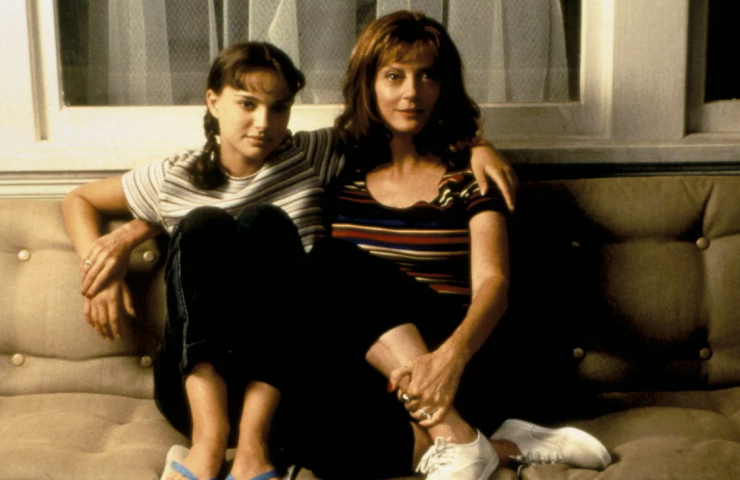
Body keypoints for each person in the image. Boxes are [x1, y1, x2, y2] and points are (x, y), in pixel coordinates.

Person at [61, 40, 519, 480]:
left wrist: (478, 146)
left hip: (284, 379)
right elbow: (79, 199)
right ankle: (207, 443)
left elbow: (396, 120)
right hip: (192, 384)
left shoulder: (309, 155)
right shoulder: (173, 177)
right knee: (202, 223)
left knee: (265, 223)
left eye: (278, 108)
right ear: (213, 101)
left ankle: (255, 447)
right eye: (247, 104)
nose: (263, 123)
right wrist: (104, 262)